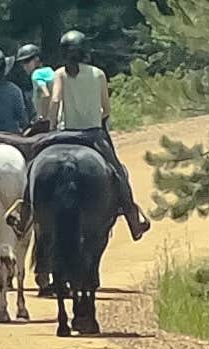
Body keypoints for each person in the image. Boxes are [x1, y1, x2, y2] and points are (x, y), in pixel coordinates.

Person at [9, 31, 149, 239]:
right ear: (85, 51)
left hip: (65, 133)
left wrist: (52, 125)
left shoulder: (60, 74)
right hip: (93, 134)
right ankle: (132, 217)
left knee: (33, 166)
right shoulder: (99, 74)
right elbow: (106, 109)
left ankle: (25, 210)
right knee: (119, 172)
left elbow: (55, 101)